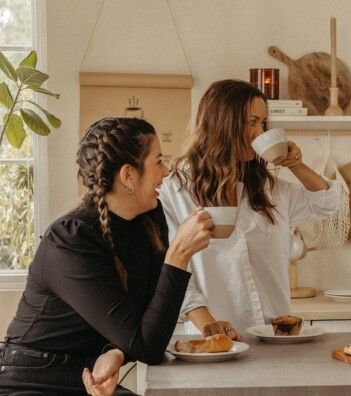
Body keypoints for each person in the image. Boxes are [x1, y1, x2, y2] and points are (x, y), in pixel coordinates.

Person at [0, 117, 212, 395]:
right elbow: (148, 347)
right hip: (31, 379)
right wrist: (178, 256)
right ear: (128, 175)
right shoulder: (70, 239)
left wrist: (117, 352)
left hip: (87, 376)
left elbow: (148, 331)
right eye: (158, 161)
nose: (166, 171)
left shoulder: (149, 219)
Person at [158, 79, 339, 340]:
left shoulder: (267, 187)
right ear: (222, 123)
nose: (260, 133)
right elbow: (175, 271)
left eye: (263, 124)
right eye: (251, 122)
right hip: (214, 341)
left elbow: (327, 204)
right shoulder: (177, 189)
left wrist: (295, 164)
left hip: (275, 335)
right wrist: (211, 326)